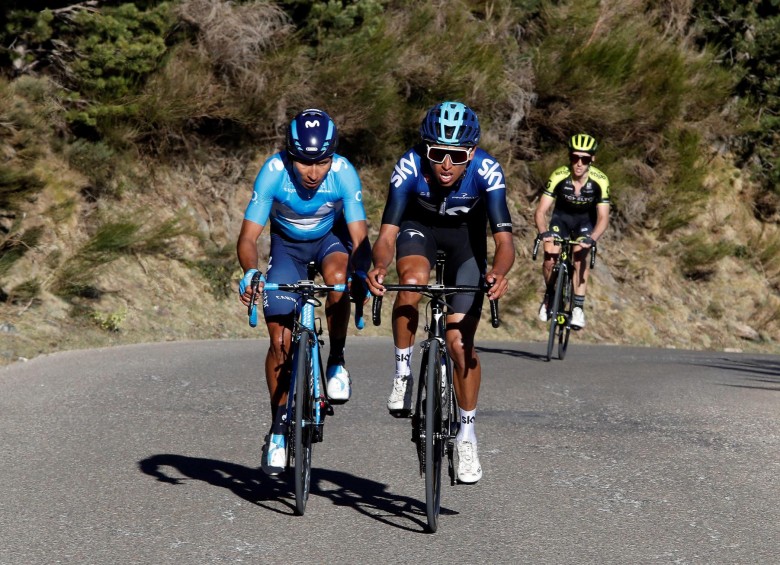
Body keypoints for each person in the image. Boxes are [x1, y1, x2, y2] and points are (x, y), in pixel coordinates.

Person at [366, 101, 514, 484]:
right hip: (420, 231)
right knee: (411, 281)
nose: (446, 164)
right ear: (425, 150)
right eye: (437, 153)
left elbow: (505, 240)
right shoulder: (409, 167)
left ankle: (466, 434)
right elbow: (386, 235)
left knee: (460, 344)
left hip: (466, 243)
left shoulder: (487, 171)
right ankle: (403, 371)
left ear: (472, 153)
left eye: (457, 155)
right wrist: (379, 265)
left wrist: (498, 272)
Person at [237, 108, 370, 475]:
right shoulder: (274, 172)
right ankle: (278, 430)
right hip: (288, 249)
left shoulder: (342, 173)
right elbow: (249, 237)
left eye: (321, 163)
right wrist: (250, 271)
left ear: (332, 158)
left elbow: (359, 236)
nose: (313, 173)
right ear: (290, 157)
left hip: (330, 241)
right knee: (279, 340)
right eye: (304, 163)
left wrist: (363, 270)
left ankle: (337, 360)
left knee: (340, 279)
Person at [534, 133, 610, 329]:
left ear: (592, 159)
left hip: (586, 222)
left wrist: (592, 239)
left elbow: (603, 218)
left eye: (584, 159)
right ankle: (550, 295)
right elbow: (541, 211)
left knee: (579, 256)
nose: (579, 163)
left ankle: (578, 307)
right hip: (561, 219)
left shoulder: (600, 180)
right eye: (574, 157)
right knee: (550, 255)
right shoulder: (559, 175)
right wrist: (544, 233)